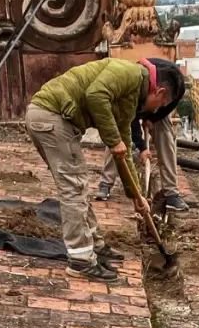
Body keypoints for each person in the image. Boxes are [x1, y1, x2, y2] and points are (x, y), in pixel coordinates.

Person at [26, 56, 184, 281]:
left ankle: (95, 246)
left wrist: (136, 194)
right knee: (74, 189)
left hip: (48, 119)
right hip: (51, 117)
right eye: (160, 106)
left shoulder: (130, 97)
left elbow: (125, 149)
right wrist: (112, 139)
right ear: (159, 93)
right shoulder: (129, 73)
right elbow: (95, 95)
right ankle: (80, 260)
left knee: (77, 188)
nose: (155, 110)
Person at [94, 99, 189, 213]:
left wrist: (152, 118)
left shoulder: (174, 89)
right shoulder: (135, 89)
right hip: (132, 105)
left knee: (165, 132)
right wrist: (142, 147)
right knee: (118, 135)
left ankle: (171, 192)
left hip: (158, 110)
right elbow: (131, 120)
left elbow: (172, 103)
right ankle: (106, 183)